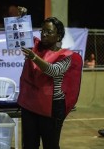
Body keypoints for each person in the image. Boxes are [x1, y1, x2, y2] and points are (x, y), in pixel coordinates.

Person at [17, 15, 83, 149]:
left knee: (50, 145)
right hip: (30, 104)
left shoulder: (66, 56)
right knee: (29, 144)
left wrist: (34, 57)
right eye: (42, 31)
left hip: (52, 107)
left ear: (58, 37)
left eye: (49, 32)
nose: (44, 34)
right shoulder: (35, 47)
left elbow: (53, 71)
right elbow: (20, 34)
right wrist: (21, 18)